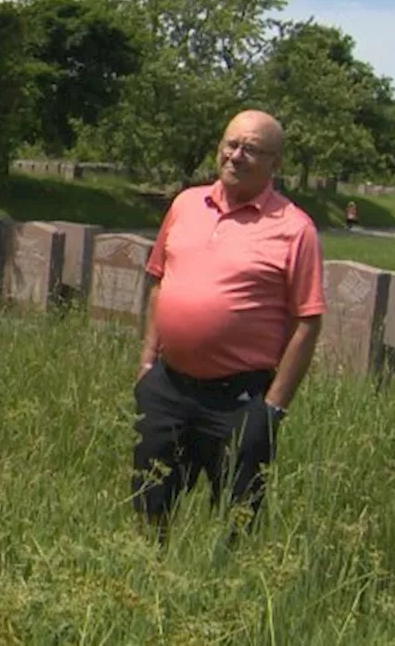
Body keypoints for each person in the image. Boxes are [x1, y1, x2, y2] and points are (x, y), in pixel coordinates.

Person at [131, 109, 325, 546]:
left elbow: (307, 322)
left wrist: (273, 408)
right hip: (168, 386)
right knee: (150, 502)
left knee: (236, 521)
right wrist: (147, 362)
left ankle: (223, 593)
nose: (235, 155)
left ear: (275, 163)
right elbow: (160, 280)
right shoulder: (185, 205)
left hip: (239, 400)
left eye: (251, 149)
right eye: (230, 144)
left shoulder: (295, 230)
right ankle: (149, 581)